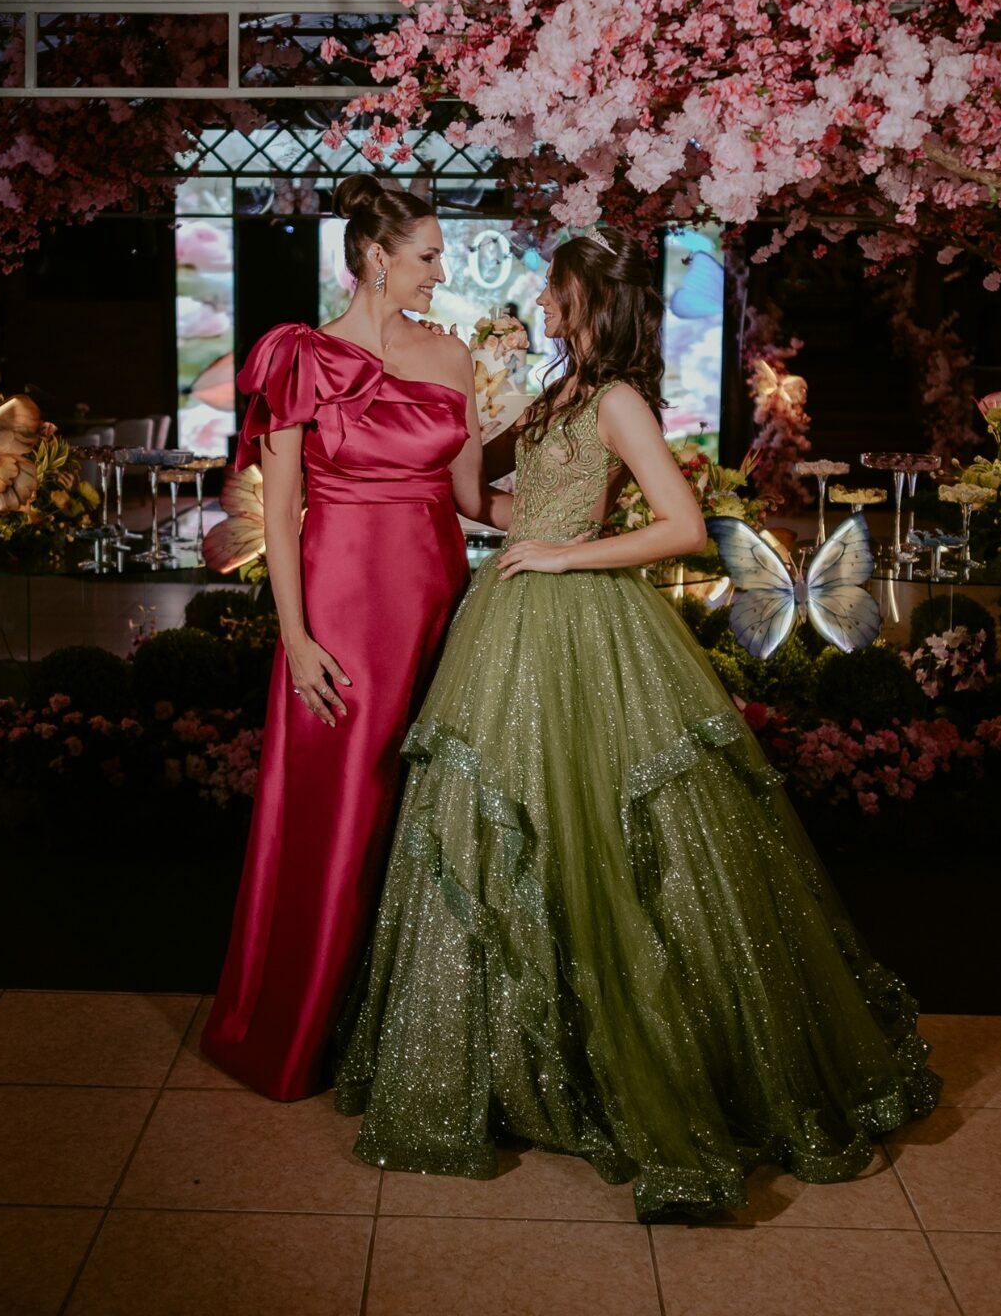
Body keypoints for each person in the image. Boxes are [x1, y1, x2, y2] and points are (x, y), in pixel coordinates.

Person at [334, 225, 940, 1219]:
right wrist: (457, 421)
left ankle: (636, 1057)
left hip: (581, 620)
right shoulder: (554, 394)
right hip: (512, 616)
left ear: (587, 302)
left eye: (553, 289)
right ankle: (514, 1061)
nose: (538, 302)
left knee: (604, 834)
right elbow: (488, 503)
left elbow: (683, 527)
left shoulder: (617, 399)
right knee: (502, 823)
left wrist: (562, 553)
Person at [201, 175, 509, 1101]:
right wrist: (296, 638)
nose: (440, 273)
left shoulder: (451, 355)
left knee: (427, 810)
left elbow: (470, 498)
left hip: (438, 603)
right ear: (376, 256)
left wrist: (576, 516)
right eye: (428, 256)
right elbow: (280, 513)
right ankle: (300, 1028)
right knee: (340, 811)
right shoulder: (298, 357)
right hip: (341, 608)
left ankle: (409, 1035)